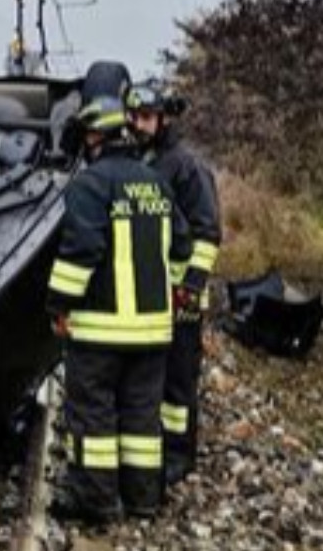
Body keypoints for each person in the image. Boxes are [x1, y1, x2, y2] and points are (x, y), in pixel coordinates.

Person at [47, 98, 188, 525]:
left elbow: (81, 253)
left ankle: (96, 502)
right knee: (142, 416)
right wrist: (172, 292)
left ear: (95, 137)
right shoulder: (156, 183)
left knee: (94, 417)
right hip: (152, 333)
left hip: (100, 331)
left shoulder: (89, 185)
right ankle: (144, 498)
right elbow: (180, 248)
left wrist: (58, 303)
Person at [129, 84, 223, 485]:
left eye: (146, 117)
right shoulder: (143, 161)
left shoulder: (185, 167)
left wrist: (189, 286)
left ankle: (178, 455)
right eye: (133, 117)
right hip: (149, 294)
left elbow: (207, 232)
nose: (137, 125)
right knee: (153, 376)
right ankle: (154, 449)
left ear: (163, 119)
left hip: (180, 295)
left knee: (178, 380)